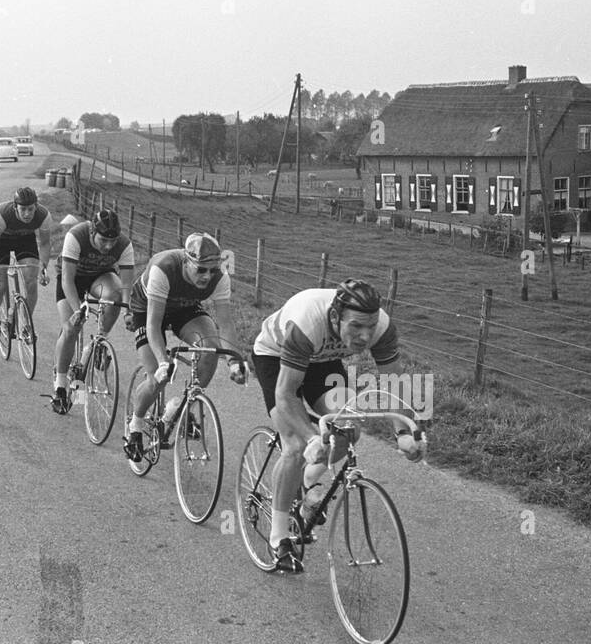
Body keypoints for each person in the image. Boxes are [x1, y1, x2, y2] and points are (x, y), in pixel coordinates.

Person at [252, 278, 423, 572]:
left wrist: (404, 433)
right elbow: (285, 394)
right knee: (294, 445)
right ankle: (279, 536)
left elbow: (394, 387)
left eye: (370, 327)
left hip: (323, 362)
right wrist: (311, 438)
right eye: (356, 326)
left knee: (349, 427)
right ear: (335, 316)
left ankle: (307, 485)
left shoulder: (381, 327)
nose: (364, 336)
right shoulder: (307, 320)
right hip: (276, 356)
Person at [123, 232, 245, 461]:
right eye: (201, 270)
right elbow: (153, 323)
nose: (207, 276)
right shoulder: (164, 267)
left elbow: (226, 323)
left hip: (184, 308)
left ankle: (181, 407)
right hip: (148, 308)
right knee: (157, 378)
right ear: (186, 261)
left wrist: (234, 361)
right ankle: (135, 426)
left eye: (212, 270)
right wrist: (162, 362)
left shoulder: (220, 277)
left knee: (210, 347)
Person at [51, 209, 134, 414]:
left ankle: (98, 344)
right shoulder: (76, 236)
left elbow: (126, 285)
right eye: (103, 240)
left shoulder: (124, 244)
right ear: (92, 232)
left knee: (114, 297)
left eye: (112, 241)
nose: (108, 246)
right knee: (71, 328)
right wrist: (78, 308)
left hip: (100, 276)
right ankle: (60, 386)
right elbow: (67, 280)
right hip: (72, 280)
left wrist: (127, 311)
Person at [0, 186, 52, 341]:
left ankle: (26, 325)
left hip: (25, 239)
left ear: (36, 206)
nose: (27, 214)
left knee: (31, 282)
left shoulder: (43, 216)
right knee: (0, 286)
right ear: (15, 207)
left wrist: (43, 267)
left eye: (31, 209)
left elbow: (44, 243)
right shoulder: (1, 215)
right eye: (23, 209)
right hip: (2, 240)